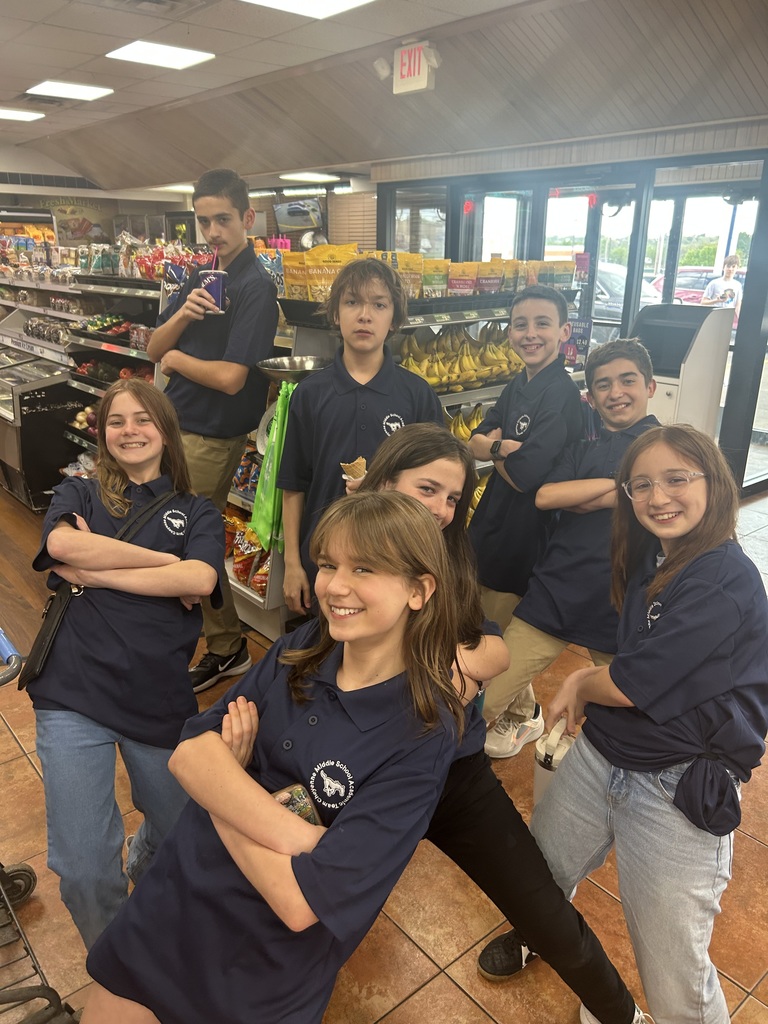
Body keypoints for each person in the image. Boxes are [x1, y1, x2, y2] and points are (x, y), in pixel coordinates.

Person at [81, 491, 465, 1024]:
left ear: (419, 590)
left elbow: (299, 902)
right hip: (174, 902)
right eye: (328, 564)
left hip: (261, 966)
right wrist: (304, 840)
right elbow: (188, 756)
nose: (335, 586)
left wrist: (222, 788)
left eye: (365, 568)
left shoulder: (424, 733)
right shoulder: (305, 647)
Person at [360, 423, 648, 1024]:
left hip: (453, 770)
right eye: (427, 489)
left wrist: (470, 663)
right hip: (367, 769)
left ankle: (623, 1015)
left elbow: (488, 640)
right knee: (324, 908)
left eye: (452, 498)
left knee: (544, 909)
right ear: (382, 482)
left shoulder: (451, 560)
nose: (441, 510)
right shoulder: (345, 560)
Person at [529, 425, 768, 1024]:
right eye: (641, 485)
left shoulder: (724, 578)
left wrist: (580, 682)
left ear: (714, 483)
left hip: (676, 786)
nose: (658, 497)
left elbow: (632, 683)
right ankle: (537, 934)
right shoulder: (653, 558)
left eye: (676, 478)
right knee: (541, 873)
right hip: (603, 753)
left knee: (674, 975)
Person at [28, 378, 224, 949]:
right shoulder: (80, 491)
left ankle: (142, 861)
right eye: (116, 421)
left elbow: (200, 579)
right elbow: (63, 547)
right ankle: (119, 964)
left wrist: (97, 572)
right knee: (84, 870)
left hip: (157, 695)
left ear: (166, 431)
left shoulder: (198, 511)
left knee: (183, 832)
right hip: (73, 689)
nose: (130, 430)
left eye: (143, 419)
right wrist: (164, 567)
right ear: (103, 434)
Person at [483, 339, 660, 760]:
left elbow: (656, 496)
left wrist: (586, 495)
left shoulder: (665, 446)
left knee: (630, 723)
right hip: (554, 593)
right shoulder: (583, 448)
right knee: (484, 699)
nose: (616, 392)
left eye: (627, 380)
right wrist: (621, 488)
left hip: (620, 606)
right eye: (603, 384)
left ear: (650, 387)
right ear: (591, 398)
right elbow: (546, 496)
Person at [147, 168, 279, 693]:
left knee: (189, 540)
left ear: (248, 217)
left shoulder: (256, 288)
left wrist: (178, 360)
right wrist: (183, 315)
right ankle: (204, 634)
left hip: (211, 436)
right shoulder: (203, 276)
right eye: (204, 222)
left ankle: (227, 648)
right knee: (180, 535)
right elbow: (154, 348)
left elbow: (231, 379)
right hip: (175, 424)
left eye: (223, 219)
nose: (213, 232)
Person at [278, 257, 443, 614]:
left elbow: (435, 485)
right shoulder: (309, 394)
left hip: (396, 555)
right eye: (352, 302)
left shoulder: (417, 395)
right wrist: (292, 563)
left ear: (394, 319)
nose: (365, 315)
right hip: (324, 559)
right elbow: (293, 485)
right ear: (336, 314)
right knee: (326, 639)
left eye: (379, 305)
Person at [466, 284, 584, 743]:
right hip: (493, 522)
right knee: (480, 615)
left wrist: (493, 449)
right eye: (520, 324)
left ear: (564, 331)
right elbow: (475, 439)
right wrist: (501, 448)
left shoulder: (561, 395)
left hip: (524, 535)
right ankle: (524, 707)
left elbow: (525, 475)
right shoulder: (519, 382)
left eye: (542, 324)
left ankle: (517, 714)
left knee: (497, 627)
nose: (530, 334)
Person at [700, 254, 743, 320]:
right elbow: (703, 302)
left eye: (733, 267)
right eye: (728, 266)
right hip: (714, 317)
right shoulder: (714, 283)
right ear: (723, 267)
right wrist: (716, 300)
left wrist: (738, 320)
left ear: (737, 268)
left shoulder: (738, 285)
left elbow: (738, 305)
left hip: (728, 318)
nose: (730, 269)